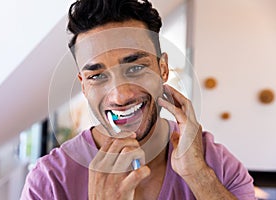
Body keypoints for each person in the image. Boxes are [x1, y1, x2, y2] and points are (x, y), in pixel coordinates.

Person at [21, 0, 256, 199]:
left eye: (135, 68)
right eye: (98, 76)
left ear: (162, 69)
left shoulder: (214, 163)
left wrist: (197, 175)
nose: (120, 95)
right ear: (84, 85)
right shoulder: (48, 182)